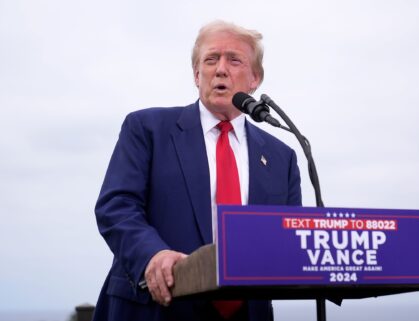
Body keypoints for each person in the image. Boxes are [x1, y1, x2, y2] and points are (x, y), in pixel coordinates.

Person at [93, 20, 301, 321]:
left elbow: (289, 237)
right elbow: (116, 207)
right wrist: (152, 255)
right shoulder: (147, 129)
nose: (220, 69)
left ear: (255, 78)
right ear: (196, 74)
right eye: (211, 59)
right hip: (158, 308)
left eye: (234, 60)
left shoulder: (283, 157)